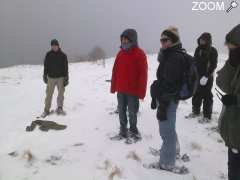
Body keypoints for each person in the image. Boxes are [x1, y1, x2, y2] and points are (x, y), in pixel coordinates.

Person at [149, 26, 188, 174]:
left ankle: (167, 162)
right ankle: (173, 150)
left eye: (165, 40)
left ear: (173, 41)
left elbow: (170, 84)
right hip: (168, 98)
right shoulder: (171, 54)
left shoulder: (174, 57)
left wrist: (162, 101)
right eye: (161, 40)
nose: (162, 43)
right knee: (169, 128)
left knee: (166, 131)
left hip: (168, 99)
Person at [110, 29, 148, 142]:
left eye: (126, 39)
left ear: (133, 39)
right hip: (121, 90)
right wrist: (113, 87)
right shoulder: (120, 54)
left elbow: (143, 74)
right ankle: (123, 131)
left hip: (133, 91)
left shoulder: (140, 54)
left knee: (132, 112)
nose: (124, 41)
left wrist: (141, 92)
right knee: (121, 111)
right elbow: (115, 71)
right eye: (122, 39)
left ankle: (133, 131)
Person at [216, 24, 240, 180]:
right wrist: (231, 64)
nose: (231, 51)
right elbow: (222, 84)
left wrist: (236, 100)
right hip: (234, 132)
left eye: (233, 48)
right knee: (234, 170)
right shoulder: (236, 62)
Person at [187, 33, 218, 123]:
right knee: (196, 93)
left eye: (203, 40)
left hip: (207, 77)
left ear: (208, 40)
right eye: (200, 39)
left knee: (207, 95)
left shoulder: (212, 50)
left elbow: (213, 64)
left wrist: (206, 76)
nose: (201, 41)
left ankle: (207, 116)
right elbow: (195, 61)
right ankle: (195, 111)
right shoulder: (198, 49)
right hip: (197, 76)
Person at [41, 39, 69, 118]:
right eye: (52, 46)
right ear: (51, 46)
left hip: (60, 78)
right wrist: (44, 75)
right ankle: (46, 110)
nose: (54, 47)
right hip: (51, 78)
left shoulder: (63, 55)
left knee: (61, 94)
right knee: (49, 94)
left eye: (55, 45)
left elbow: (66, 67)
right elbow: (46, 66)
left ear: (58, 46)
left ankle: (60, 108)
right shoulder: (48, 54)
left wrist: (66, 78)